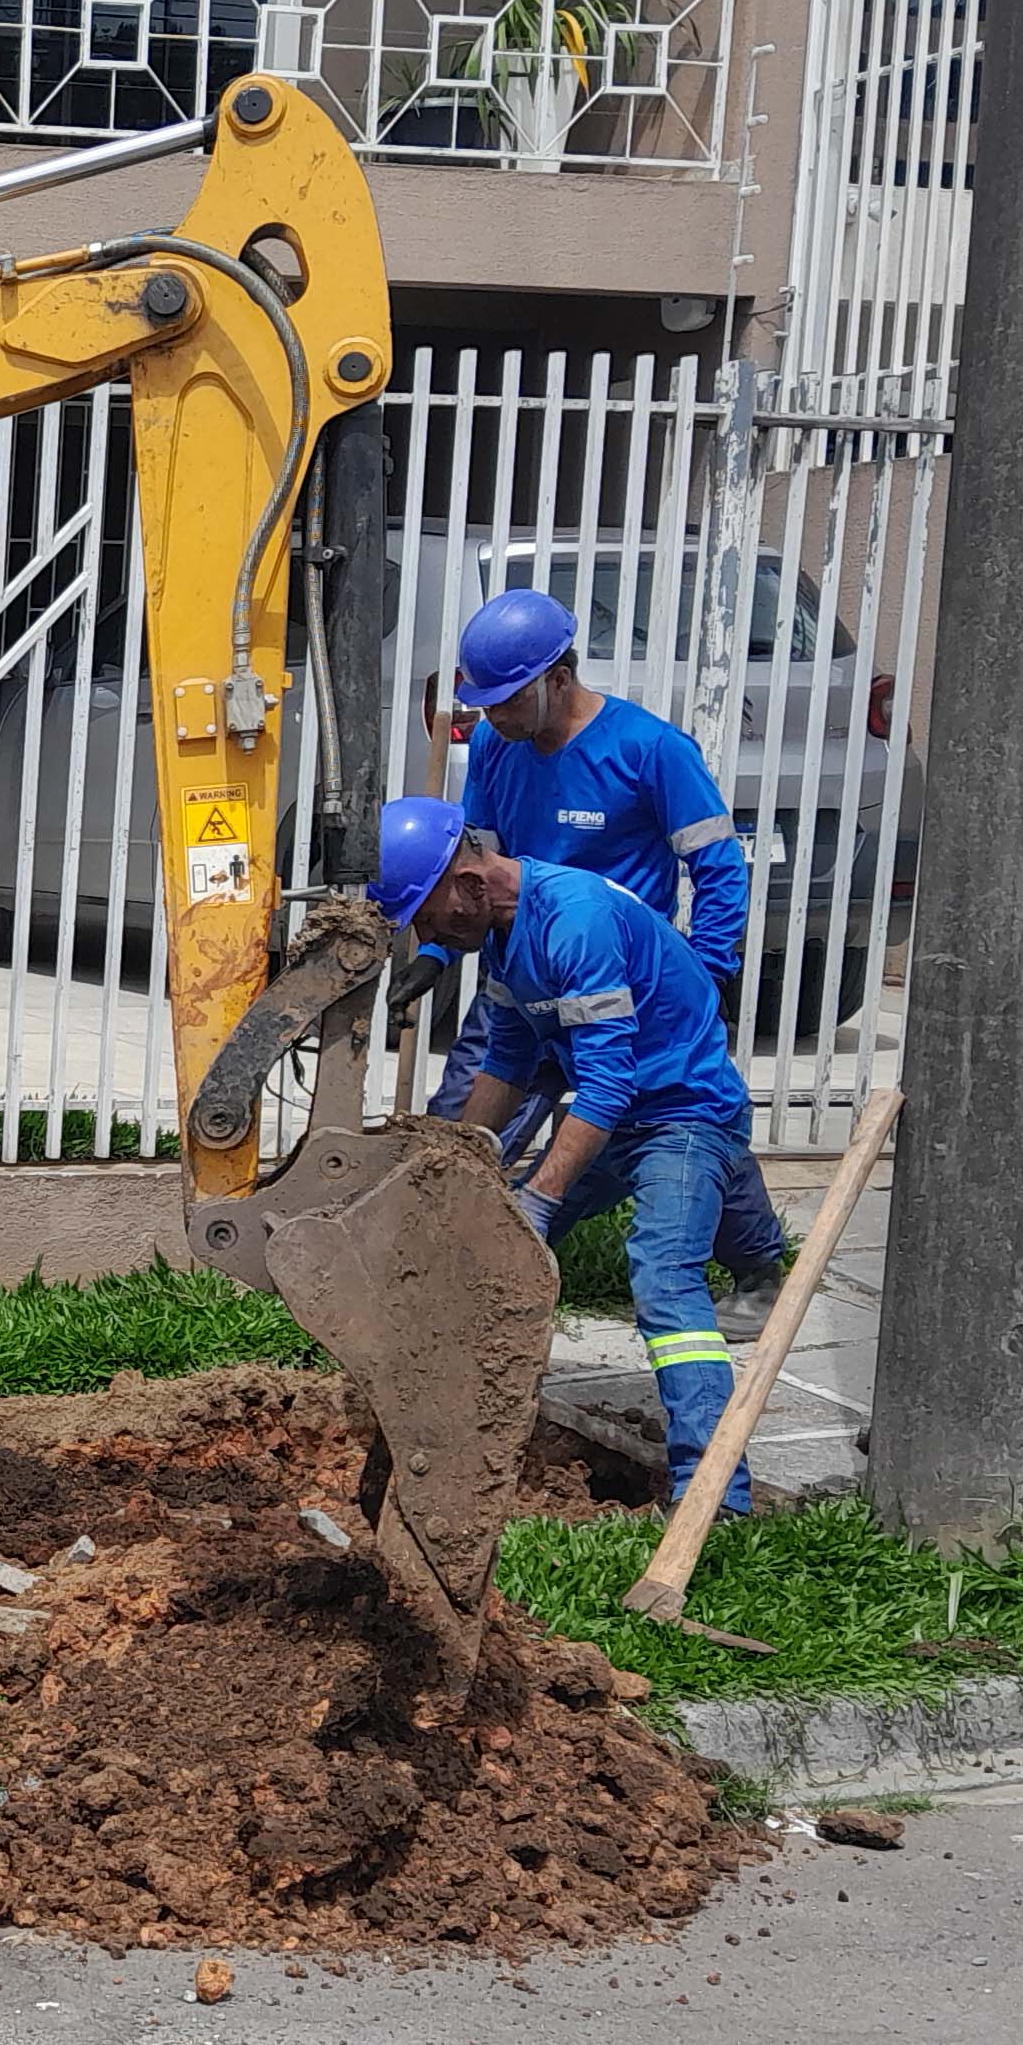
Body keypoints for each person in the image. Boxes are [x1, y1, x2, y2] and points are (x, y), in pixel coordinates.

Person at [373, 796, 758, 1513]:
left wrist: (541, 1199)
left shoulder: (573, 920)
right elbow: (509, 1060)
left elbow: (609, 1082)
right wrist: (471, 1160)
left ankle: (715, 1495)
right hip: (617, 1115)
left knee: (665, 1280)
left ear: (468, 885)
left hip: (682, 1112)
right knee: (495, 1236)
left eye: (425, 917)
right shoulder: (504, 933)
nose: (426, 934)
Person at [425, 585, 790, 1335]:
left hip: (622, 980)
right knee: (464, 1121)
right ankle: (439, 1262)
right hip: (525, 975)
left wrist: (708, 971)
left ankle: (756, 1263)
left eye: (506, 700)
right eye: (484, 703)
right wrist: (435, 945)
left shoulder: (650, 750)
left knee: (674, 1115)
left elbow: (718, 865)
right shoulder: (498, 745)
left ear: (559, 675)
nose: (492, 718)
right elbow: (475, 858)